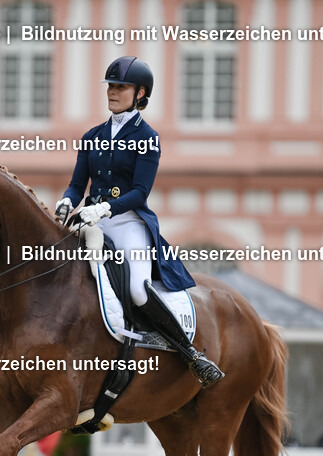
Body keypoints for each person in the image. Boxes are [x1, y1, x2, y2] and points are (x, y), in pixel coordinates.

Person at [56, 56, 223, 388]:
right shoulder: (92, 136)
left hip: (128, 222)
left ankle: (190, 353)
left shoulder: (147, 137)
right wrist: (67, 201)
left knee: (137, 289)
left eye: (121, 87)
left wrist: (104, 209)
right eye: (111, 86)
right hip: (91, 222)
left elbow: (139, 193)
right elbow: (78, 185)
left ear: (140, 93)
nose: (113, 92)